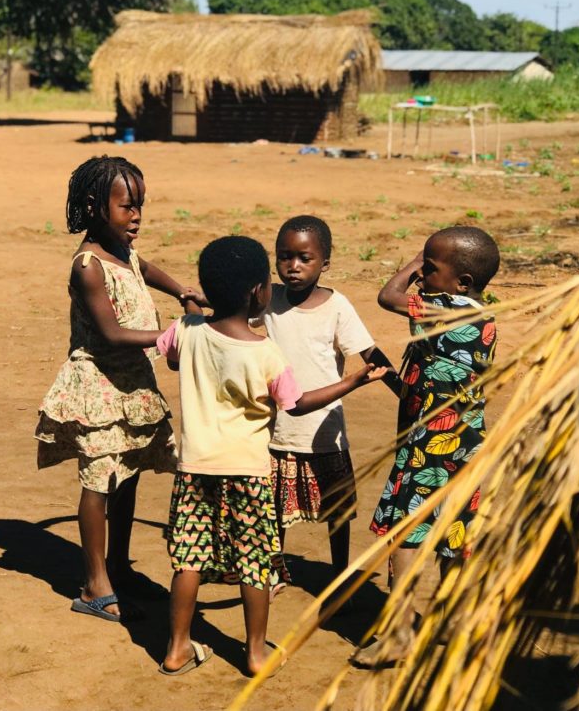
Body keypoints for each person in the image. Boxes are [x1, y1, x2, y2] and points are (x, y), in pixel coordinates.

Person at [156, 236, 386, 677]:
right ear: (260, 293)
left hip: (194, 469)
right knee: (255, 564)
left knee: (188, 560)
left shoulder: (186, 332)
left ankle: (177, 649)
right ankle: (257, 653)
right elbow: (296, 404)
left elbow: (174, 355)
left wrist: (191, 312)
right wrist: (352, 383)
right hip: (249, 471)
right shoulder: (265, 352)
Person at [35, 156, 199, 623]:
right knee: (100, 479)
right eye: (127, 207)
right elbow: (109, 334)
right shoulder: (87, 266)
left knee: (127, 474)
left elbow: (143, 267)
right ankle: (94, 582)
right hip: (99, 387)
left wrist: (181, 289)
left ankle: (117, 566)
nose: (137, 217)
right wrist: (171, 335)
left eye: (140, 206)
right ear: (94, 206)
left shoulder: (122, 250)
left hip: (132, 385)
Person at [352, 225, 500, 667]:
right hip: (466, 445)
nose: (421, 276)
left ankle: (398, 633)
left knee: (405, 533)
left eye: (431, 269)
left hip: (429, 448)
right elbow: (436, 384)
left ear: (462, 284)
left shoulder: (449, 310)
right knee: (455, 530)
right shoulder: (482, 318)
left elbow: (387, 295)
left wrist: (413, 261)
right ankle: (455, 623)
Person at [254, 215, 399, 592]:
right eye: (285, 257)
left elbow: (371, 354)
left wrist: (407, 394)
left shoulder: (337, 306)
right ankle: (274, 569)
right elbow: (229, 311)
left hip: (324, 429)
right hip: (277, 425)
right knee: (275, 509)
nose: (293, 267)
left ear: (325, 264)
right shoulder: (269, 298)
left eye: (304, 258)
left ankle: (339, 573)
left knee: (338, 511)